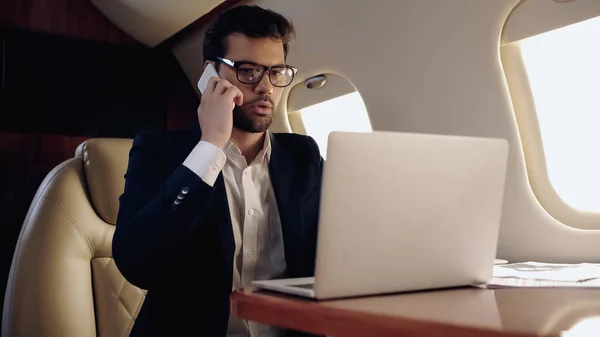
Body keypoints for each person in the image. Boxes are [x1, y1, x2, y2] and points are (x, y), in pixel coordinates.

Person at [113, 5, 323, 337]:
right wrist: (210, 146)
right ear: (211, 74)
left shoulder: (304, 156)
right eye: (248, 70)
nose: (266, 87)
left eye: (276, 72)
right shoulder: (159, 152)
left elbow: (332, 256)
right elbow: (137, 263)